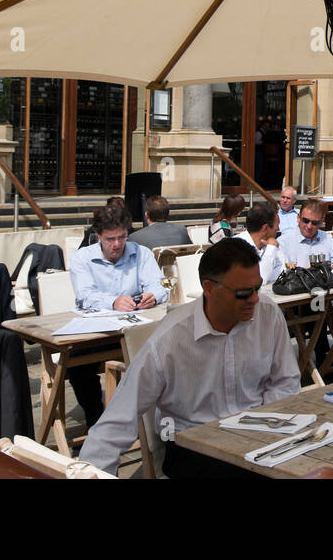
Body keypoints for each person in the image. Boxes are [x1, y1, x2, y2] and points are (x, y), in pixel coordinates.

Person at [80, 238, 300, 477]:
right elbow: (118, 420)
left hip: (260, 434)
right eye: (243, 293)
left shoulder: (268, 314)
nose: (255, 299)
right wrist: (91, 474)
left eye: (257, 288)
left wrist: (264, 425)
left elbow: (285, 381)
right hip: (195, 446)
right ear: (208, 288)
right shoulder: (169, 339)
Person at [68, 204, 167, 427]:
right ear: (98, 236)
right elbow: (85, 295)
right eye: (110, 239)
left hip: (134, 330)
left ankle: (154, 419)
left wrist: (153, 295)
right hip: (98, 333)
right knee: (75, 363)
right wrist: (113, 302)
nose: (116, 244)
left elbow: (160, 285)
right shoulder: (82, 258)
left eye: (122, 238)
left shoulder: (141, 252)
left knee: (168, 347)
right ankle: (96, 420)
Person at [277, 197, 333, 269]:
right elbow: (279, 272)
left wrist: (329, 267)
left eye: (314, 223)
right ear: (298, 218)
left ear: (321, 223)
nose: (309, 226)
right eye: (305, 220)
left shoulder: (327, 239)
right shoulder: (283, 242)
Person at [235, 202, 282, 286]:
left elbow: (281, 272)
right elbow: (259, 280)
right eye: (277, 225)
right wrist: (271, 249)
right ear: (265, 228)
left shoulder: (267, 245)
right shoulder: (236, 248)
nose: (278, 229)